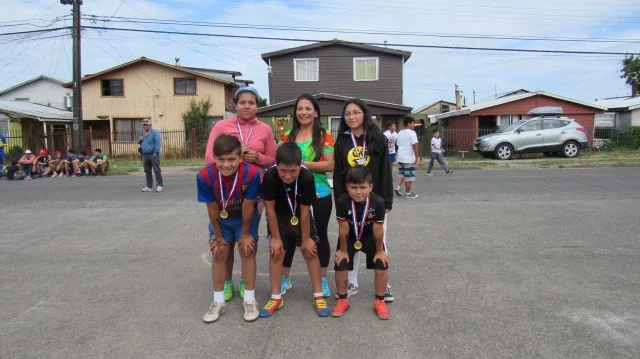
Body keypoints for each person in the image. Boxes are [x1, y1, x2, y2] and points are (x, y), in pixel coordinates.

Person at [204, 86, 277, 302]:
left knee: (248, 236)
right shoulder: (222, 126)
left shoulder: (265, 129)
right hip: (225, 191)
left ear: (257, 105)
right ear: (235, 105)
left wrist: (257, 157)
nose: (247, 106)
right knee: (225, 238)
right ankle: (226, 281)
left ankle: (247, 280)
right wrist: (233, 159)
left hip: (254, 191)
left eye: (251, 102)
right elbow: (209, 158)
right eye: (242, 102)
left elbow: (272, 161)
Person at [333, 98, 394, 302]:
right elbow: (338, 174)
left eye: (356, 112)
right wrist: (340, 199)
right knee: (352, 238)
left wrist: (387, 200)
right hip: (350, 199)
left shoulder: (378, 138)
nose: (351, 117)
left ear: (364, 114)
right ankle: (351, 281)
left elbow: (386, 170)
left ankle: (383, 284)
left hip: (374, 200)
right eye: (347, 113)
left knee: (379, 239)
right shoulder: (342, 141)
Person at [259, 143, 331, 318]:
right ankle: (276, 297)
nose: (288, 175)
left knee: (310, 251)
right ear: (276, 164)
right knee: (276, 252)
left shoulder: (306, 177)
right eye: (283, 170)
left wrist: (306, 239)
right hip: (278, 216)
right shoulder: (269, 176)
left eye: (293, 171)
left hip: (301, 216)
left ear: (300, 165)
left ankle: (318, 296)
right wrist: (275, 238)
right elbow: (269, 209)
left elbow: (305, 211)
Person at [197, 135, 262, 323]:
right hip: (222, 220)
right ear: (214, 158)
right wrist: (217, 235)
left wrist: (246, 233)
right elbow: (212, 208)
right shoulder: (204, 176)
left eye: (232, 159)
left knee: (247, 249)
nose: (226, 164)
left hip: (245, 218)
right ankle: (218, 301)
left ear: (240, 158)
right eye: (221, 160)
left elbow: (249, 205)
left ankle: (250, 299)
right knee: (219, 251)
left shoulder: (251, 174)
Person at [281, 94, 334, 298]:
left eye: (308, 108)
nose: (303, 112)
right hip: (290, 194)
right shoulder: (288, 136)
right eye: (300, 108)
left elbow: (330, 165)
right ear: (295, 112)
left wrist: (301, 164)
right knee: (289, 234)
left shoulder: (324, 134)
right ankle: (285, 277)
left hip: (319, 193)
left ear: (316, 112)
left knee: (318, 235)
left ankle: (321, 278)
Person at [331, 166, 390, 320]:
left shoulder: (378, 202)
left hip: (370, 236)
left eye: (362, 187)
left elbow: (378, 230)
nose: (358, 192)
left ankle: (380, 301)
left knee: (381, 263)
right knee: (340, 262)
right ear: (347, 187)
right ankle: (343, 300)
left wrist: (379, 251)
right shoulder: (342, 200)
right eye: (354, 187)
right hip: (350, 237)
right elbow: (343, 228)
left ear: (370, 186)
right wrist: (343, 251)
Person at [394, 117, 420, 199]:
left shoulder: (400, 133)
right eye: (413, 123)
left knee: (401, 173)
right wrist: (416, 156)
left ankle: (397, 187)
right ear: (409, 123)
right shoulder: (412, 133)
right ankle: (408, 193)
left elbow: (397, 144)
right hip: (408, 158)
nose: (414, 125)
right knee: (408, 176)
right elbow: (415, 145)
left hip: (401, 157)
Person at [138, 118, 163, 192]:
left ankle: (160, 185)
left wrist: (156, 152)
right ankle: (149, 186)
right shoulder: (141, 133)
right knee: (147, 170)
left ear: (150, 125)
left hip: (153, 154)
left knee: (156, 170)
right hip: (145, 155)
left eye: (147, 125)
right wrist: (140, 146)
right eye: (144, 125)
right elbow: (139, 142)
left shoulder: (155, 133)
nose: (145, 127)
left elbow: (157, 143)